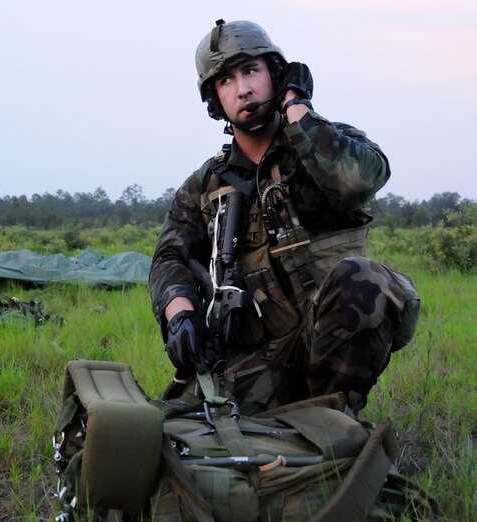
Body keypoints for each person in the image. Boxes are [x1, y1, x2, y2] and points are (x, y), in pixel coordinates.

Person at [149, 19, 418, 415]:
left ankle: (333, 419)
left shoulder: (325, 141)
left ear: (275, 73)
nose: (242, 89)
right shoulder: (206, 184)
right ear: (214, 98)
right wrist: (180, 313)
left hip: (326, 338)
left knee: (366, 279)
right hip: (257, 355)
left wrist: (297, 107)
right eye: (225, 81)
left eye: (252, 71)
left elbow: (358, 181)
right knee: (190, 428)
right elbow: (168, 258)